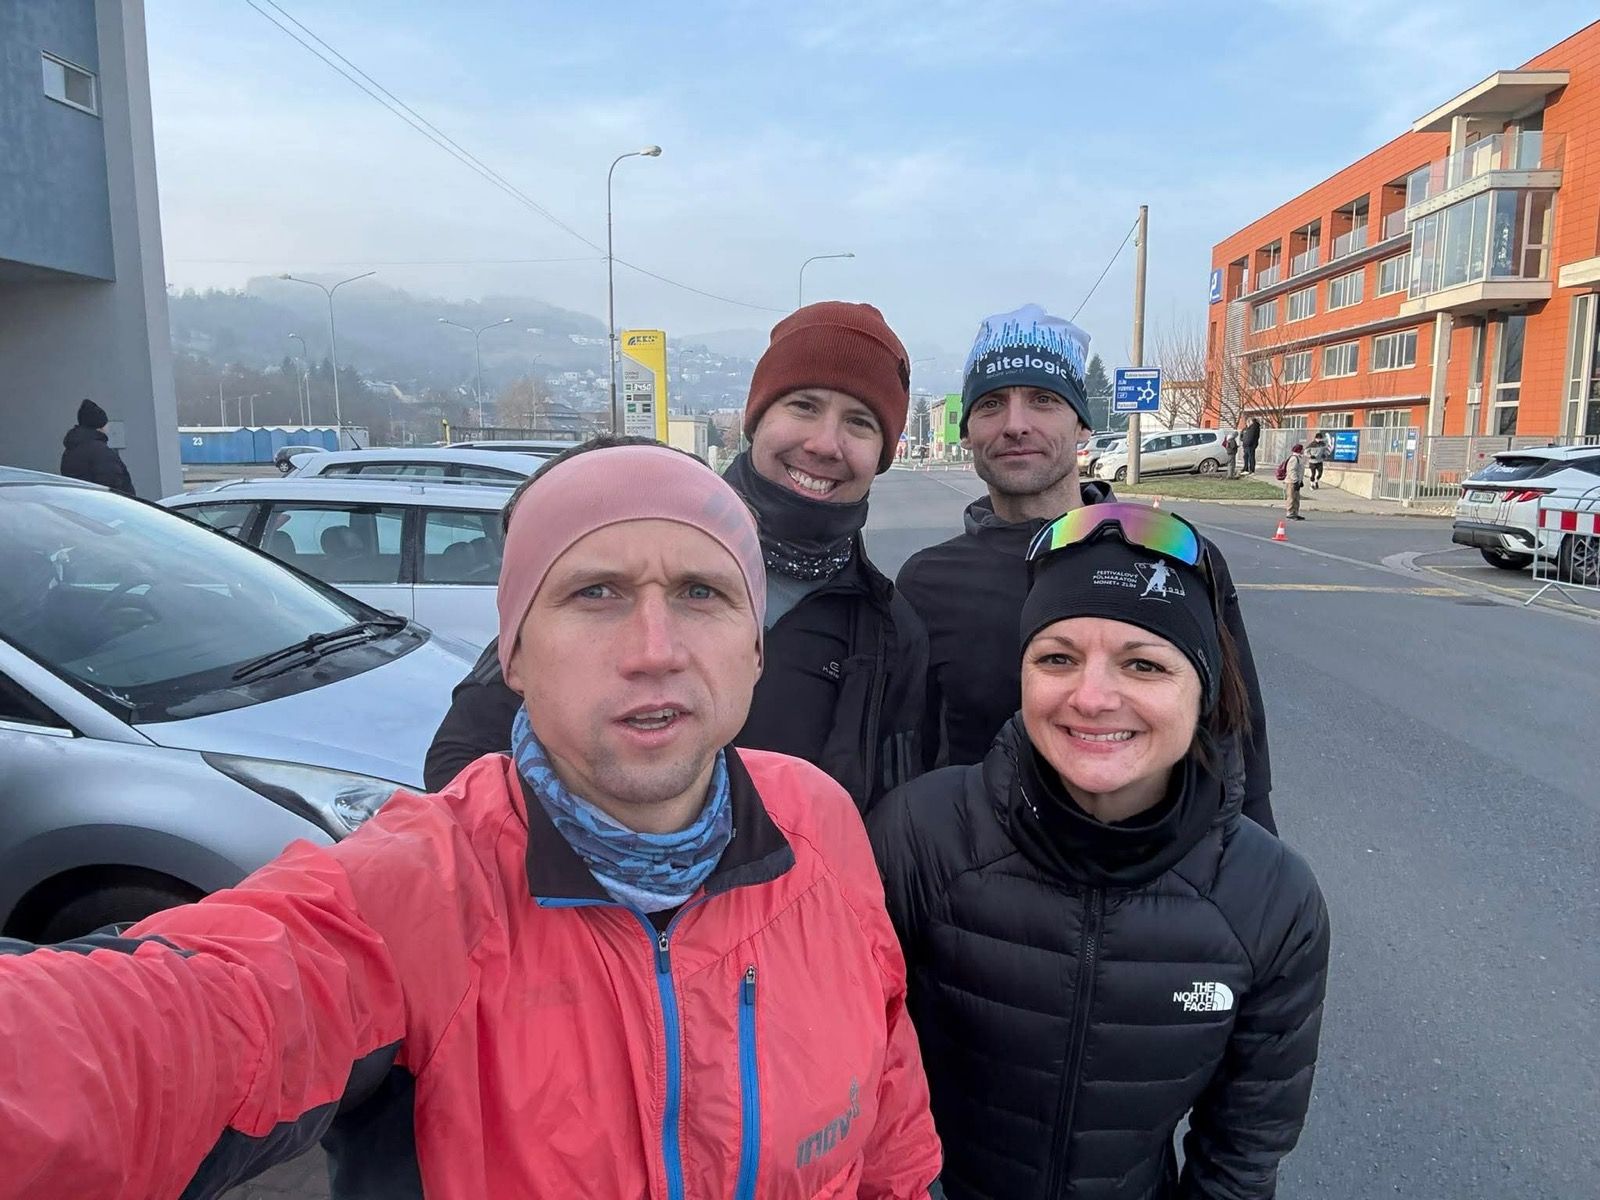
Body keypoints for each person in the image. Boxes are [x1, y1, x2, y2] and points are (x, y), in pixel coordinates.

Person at [0, 444, 941, 1200]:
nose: (655, 650)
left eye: (703, 592)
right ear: (515, 657)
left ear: (754, 652)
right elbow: (158, 1033)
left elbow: (889, 1112)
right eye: (595, 592)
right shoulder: (418, 889)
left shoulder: (815, 821)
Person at [871, 503, 1330, 1200]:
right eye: (1057, 658)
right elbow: (855, 1086)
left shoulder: (1272, 901)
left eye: (1143, 665)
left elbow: (1240, 1157)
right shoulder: (918, 837)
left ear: (1202, 691)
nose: (1091, 698)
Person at [425, 301, 929, 810]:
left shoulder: (887, 630)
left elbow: (889, 818)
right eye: (803, 406)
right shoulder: (628, 534)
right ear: (757, 419)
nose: (825, 443)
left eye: (860, 422)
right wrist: (615, 847)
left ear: (882, 454)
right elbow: (462, 759)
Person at [895, 305, 1275, 832]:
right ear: (968, 432)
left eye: (1044, 400)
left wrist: (1254, 861)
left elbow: (1237, 740)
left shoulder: (1174, 556)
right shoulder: (928, 581)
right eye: (990, 405)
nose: (1015, 424)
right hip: (973, 869)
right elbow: (911, 761)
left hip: (1153, 867)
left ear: (1082, 426)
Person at [59, 398, 135, 496]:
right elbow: (112, 483)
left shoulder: (71, 449)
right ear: (100, 426)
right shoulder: (101, 452)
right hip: (107, 503)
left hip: (79, 501)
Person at [1285, 441, 1307, 520]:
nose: (1303, 451)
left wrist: (1300, 481)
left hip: (1297, 481)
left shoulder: (1299, 458)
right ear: (1299, 450)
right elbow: (1291, 470)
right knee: (1291, 497)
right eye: (1302, 449)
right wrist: (1295, 480)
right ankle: (1290, 513)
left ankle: (1295, 513)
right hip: (1291, 482)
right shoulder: (1294, 458)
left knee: (1296, 499)